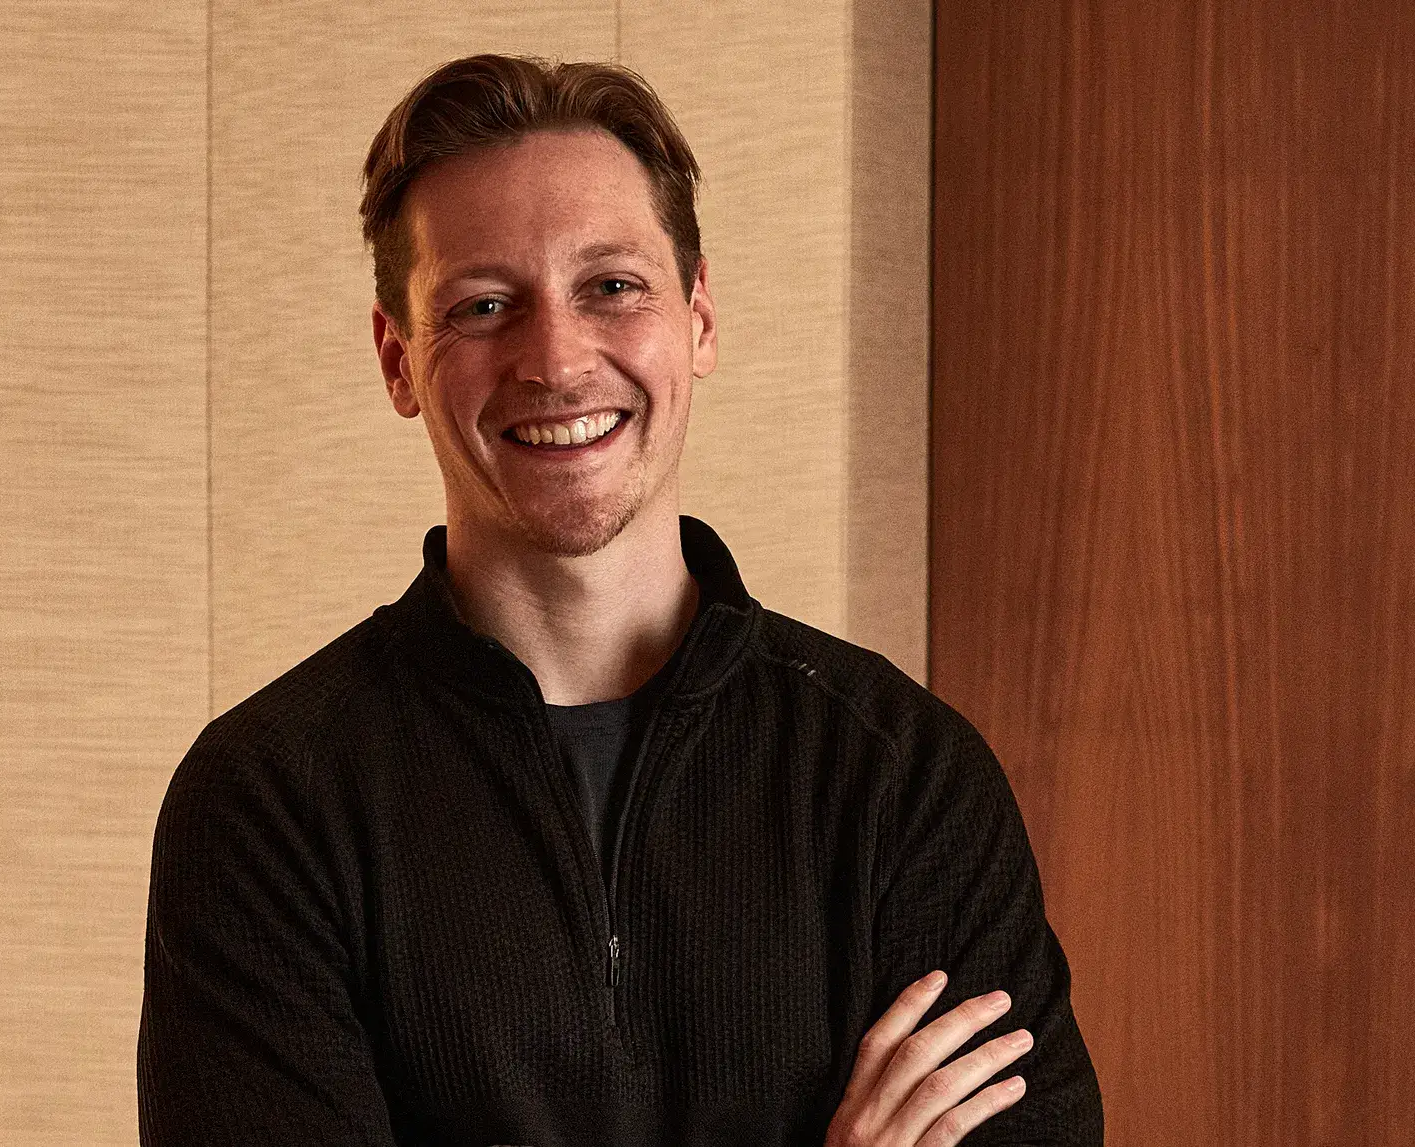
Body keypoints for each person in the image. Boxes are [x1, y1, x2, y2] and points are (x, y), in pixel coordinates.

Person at [137, 54, 1103, 1147]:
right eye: (482, 304)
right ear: (397, 360)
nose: (553, 357)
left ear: (696, 317)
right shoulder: (270, 804)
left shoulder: (901, 779)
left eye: (610, 286)